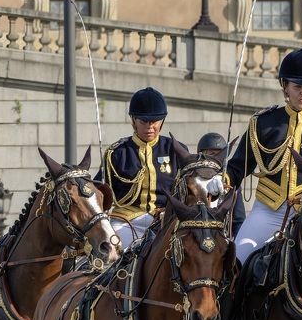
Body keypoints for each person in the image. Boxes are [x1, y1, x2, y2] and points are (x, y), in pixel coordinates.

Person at [226, 47, 302, 264]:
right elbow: (237, 168)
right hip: (268, 211)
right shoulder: (263, 123)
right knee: (237, 260)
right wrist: (220, 183)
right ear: (285, 86)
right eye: (298, 86)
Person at [97, 87, 187, 248]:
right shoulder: (116, 153)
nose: (150, 127)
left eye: (154, 122)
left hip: (165, 220)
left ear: (162, 121)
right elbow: (99, 191)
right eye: (144, 121)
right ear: (133, 120)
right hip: (126, 221)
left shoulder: (176, 150)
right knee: (110, 252)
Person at [196, 132, 245, 237]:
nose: (217, 158)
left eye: (221, 155)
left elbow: (238, 220)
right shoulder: (192, 179)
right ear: (201, 154)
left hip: (222, 236)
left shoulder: (230, 182)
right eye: (212, 154)